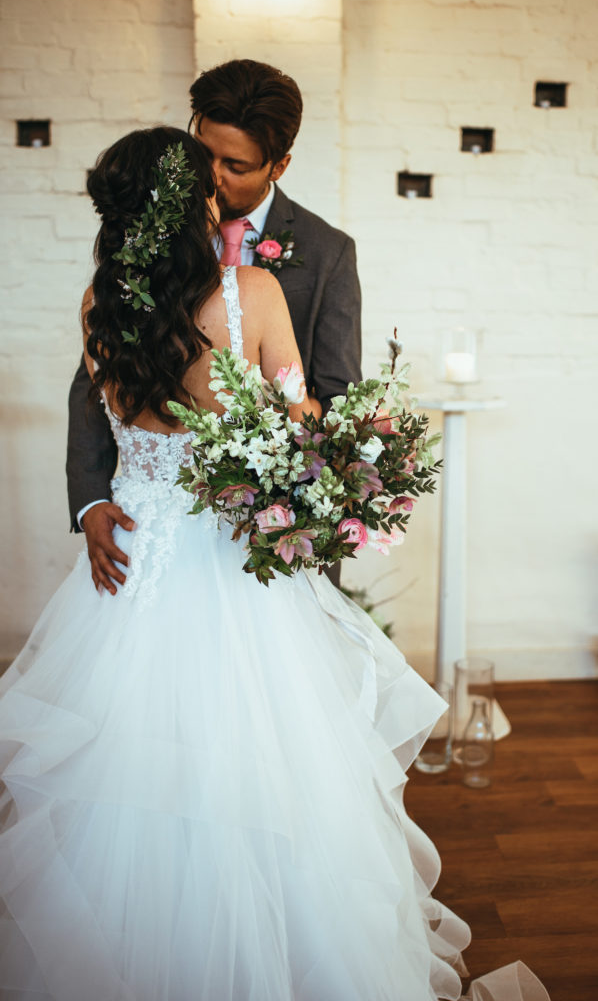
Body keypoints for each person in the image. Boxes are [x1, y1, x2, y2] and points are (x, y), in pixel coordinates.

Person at [0, 125, 468, 1001]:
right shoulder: (251, 293)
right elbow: (297, 428)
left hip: (133, 565)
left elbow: (109, 421)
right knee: (268, 765)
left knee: (126, 771)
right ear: (198, 207)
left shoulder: (104, 303)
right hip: (228, 564)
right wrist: (354, 456)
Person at [67, 59, 361, 596]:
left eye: (237, 164)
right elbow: (93, 390)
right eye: (204, 157)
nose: (216, 178)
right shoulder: (141, 256)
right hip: (139, 530)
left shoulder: (327, 253)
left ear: (279, 165)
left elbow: (337, 398)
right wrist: (88, 502)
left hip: (262, 542)